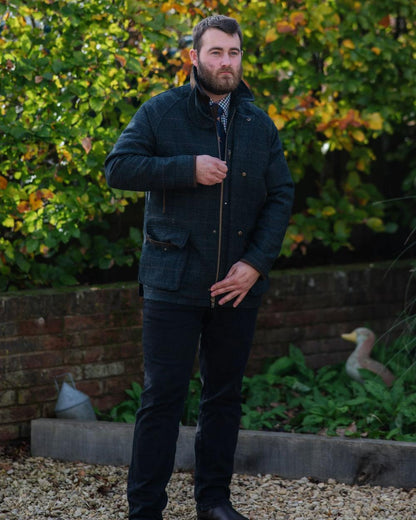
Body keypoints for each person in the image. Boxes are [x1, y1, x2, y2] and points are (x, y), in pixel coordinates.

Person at [105, 14, 294, 520]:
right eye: (215, 53)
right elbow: (118, 169)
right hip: (172, 281)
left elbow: (281, 196)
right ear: (194, 56)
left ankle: (214, 502)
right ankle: (145, 509)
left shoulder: (258, 123)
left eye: (233, 54)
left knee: (224, 398)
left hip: (236, 287)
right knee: (162, 399)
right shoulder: (161, 113)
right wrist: (186, 169)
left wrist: (255, 264)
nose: (226, 63)